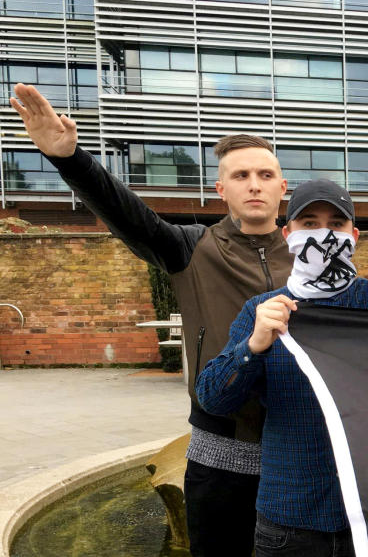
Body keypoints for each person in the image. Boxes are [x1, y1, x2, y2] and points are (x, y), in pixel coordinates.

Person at [10, 83, 293, 556]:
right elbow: (129, 214)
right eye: (241, 175)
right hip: (219, 454)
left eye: (265, 174)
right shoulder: (191, 247)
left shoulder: (312, 256)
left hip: (295, 448)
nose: (254, 183)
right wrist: (69, 158)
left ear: (283, 187)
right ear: (221, 189)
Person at [195, 114, 368, 556]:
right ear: (287, 235)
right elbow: (214, 398)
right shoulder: (263, 311)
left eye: (335, 224)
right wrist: (252, 348)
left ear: (354, 236)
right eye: (308, 223)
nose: (322, 233)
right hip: (289, 522)